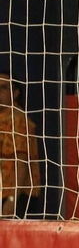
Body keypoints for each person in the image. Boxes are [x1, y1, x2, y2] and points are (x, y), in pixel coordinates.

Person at [0, 72, 43, 219]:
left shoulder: (17, 119)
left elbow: (22, 162)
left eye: (3, 88)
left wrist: (12, 199)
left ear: (15, 93)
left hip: (16, 196)